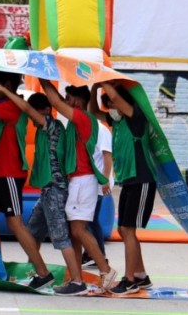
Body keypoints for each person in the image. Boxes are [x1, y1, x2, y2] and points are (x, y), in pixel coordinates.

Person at [0, 84, 92, 296]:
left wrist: (8, 91)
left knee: (61, 237)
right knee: (32, 231)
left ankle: (77, 281)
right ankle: (38, 272)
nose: (32, 119)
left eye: (36, 113)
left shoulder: (52, 126)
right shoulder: (43, 129)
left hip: (55, 191)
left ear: (45, 110)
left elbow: (27, 110)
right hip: (47, 191)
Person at [0, 71, 55, 291]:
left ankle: (43, 272)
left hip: (9, 173)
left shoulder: (12, 106)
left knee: (15, 223)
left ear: (7, 85)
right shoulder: (5, 101)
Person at [38, 78, 117, 295]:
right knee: (75, 232)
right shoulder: (78, 121)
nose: (66, 102)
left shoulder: (82, 118)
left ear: (80, 101)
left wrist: (41, 76)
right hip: (78, 181)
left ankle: (105, 270)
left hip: (84, 181)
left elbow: (53, 100)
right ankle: (77, 280)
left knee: (78, 229)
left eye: (69, 98)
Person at [97, 81, 157, 294]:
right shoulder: (119, 122)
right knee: (124, 229)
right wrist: (94, 86)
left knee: (128, 230)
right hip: (130, 181)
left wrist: (104, 79)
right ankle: (140, 275)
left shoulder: (135, 118)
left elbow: (116, 98)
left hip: (142, 179)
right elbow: (93, 111)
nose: (111, 108)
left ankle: (129, 279)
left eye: (113, 103)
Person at [83, 87, 114, 267]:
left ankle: (99, 256)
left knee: (91, 219)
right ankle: (91, 254)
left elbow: (107, 156)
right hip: (92, 181)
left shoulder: (102, 130)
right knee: (87, 219)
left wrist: (104, 180)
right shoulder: (89, 127)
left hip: (99, 182)